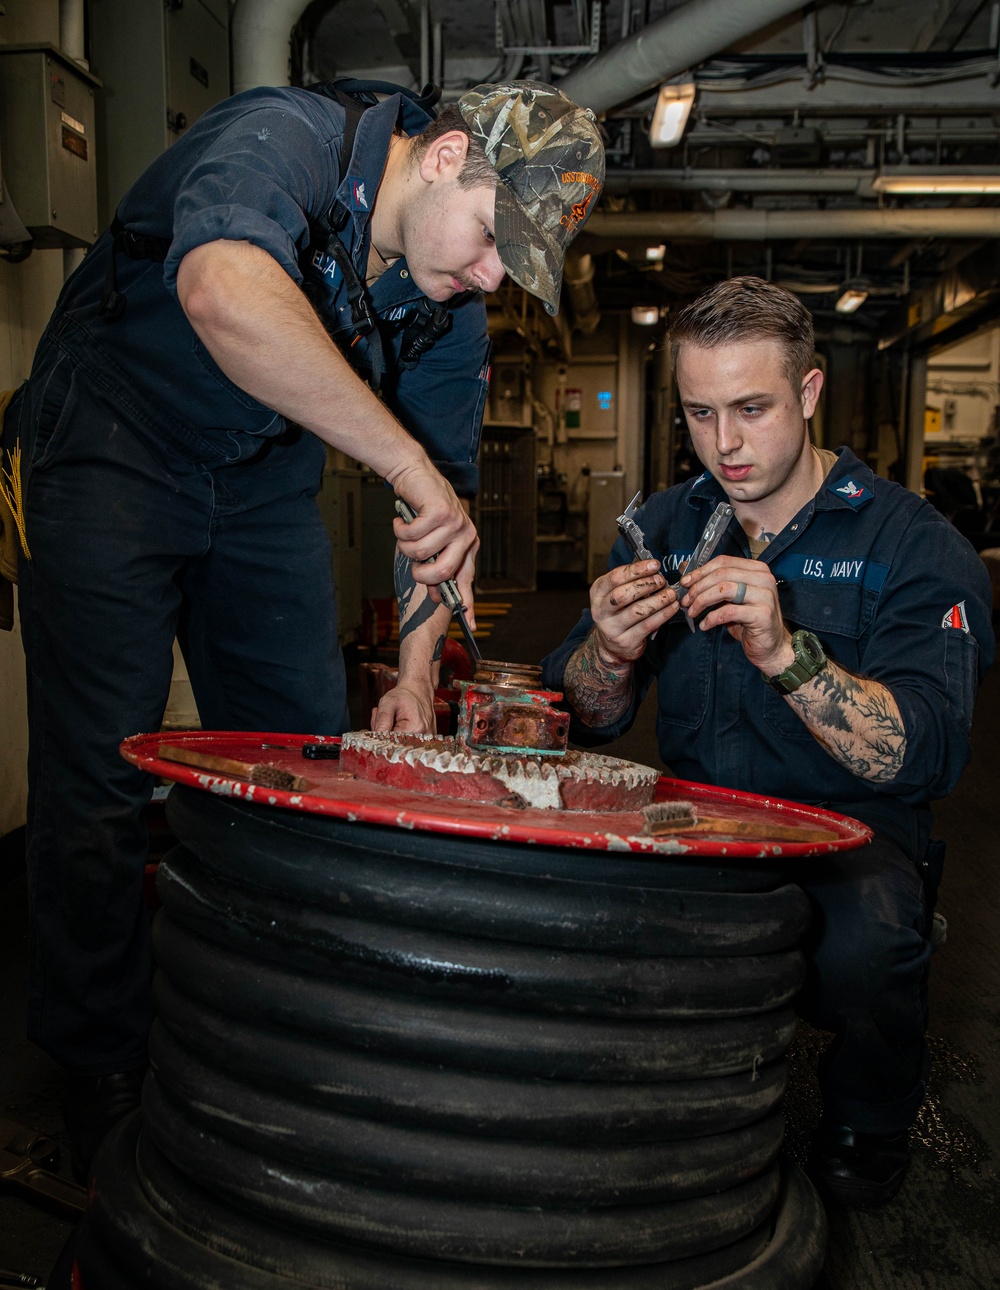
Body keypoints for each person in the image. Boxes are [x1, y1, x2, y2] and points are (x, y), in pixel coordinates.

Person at [0, 78, 604, 1178]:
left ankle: (270, 1030)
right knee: (97, 775)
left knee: (299, 755)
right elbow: (225, 292)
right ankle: (98, 1059)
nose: (482, 278)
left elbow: (441, 519)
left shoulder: (449, 309)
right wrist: (403, 462)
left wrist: (417, 680)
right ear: (442, 155)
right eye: (485, 241)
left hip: (258, 473)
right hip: (110, 441)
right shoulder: (285, 138)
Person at [543, 276, 994, 1209]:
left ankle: (869, 1127)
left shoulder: (912, 544)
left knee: (869, 949)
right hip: (697, 825)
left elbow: (928, 754)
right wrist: (608, 649)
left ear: (811, 391)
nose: (726, 444)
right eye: (701, 413)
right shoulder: (667, 525)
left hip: (851, 834)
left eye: (752, 408)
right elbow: (580, 716)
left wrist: (789, 654)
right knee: (562, 925)